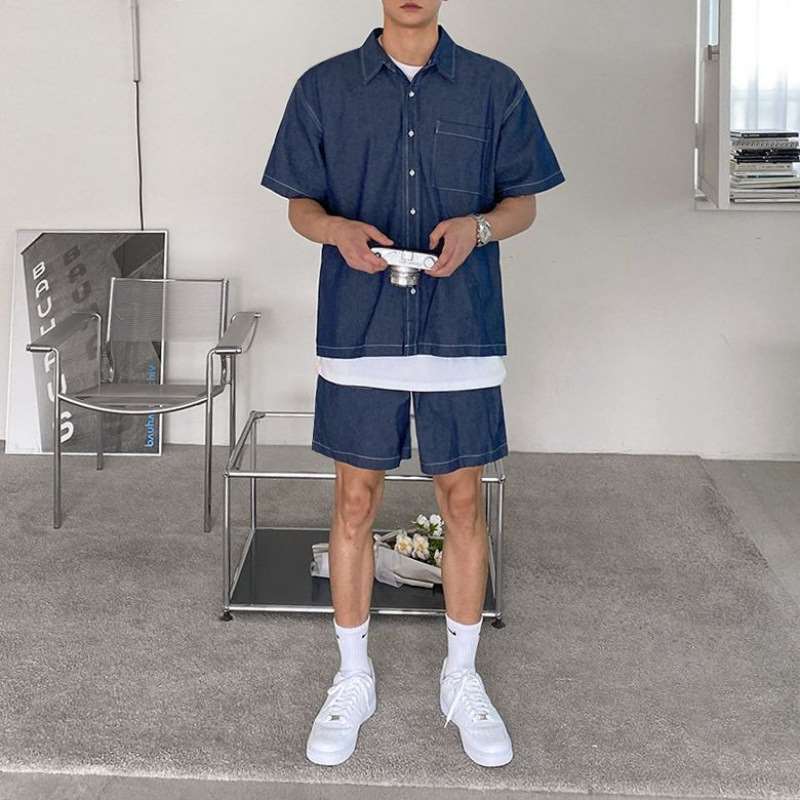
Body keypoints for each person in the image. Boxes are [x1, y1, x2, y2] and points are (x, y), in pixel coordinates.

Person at [260, 0, 565, 768]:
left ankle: (461, 678)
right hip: (359, 326)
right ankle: (352, 676)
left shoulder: (494, 87)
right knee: (353, 502)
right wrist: (335, 229)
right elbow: (300, 205)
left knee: (462, 502)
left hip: (461, 326)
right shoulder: (323, 87)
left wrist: (479, 227)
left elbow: (522, 202)